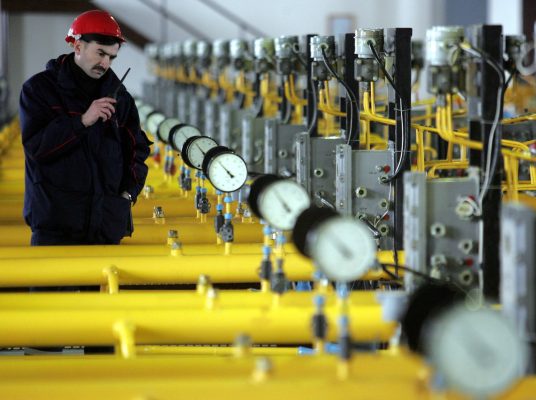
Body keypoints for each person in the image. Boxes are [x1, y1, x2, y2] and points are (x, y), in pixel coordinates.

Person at [19, 10, 151, 245]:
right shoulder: (39, 90)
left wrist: (128, 194)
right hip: (55, 229)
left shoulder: (120, 100)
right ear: (77, 46)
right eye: (100, 53)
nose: (105, 63)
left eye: (112, 57)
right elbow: (37, 148)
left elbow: (137, 151)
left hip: (106, 227)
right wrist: (81, 122)